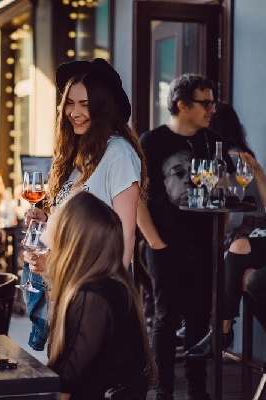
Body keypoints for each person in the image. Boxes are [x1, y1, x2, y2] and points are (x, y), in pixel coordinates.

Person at [21, 57, 146, 351]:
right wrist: (46, 219)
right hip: (63, 284)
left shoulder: (118, 154)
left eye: (85, 104)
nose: (74, 112)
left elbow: (125, 234)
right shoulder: (79, 154)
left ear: (103, 107)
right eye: (70, 103)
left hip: (92, 292)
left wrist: (112, 294)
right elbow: (78, 220)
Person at [136, 74, 234, 400]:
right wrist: (154, 242)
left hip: (203, 246)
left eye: (212, 102)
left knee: (197, 319)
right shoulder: (152, 141)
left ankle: (197, 389)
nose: (212, 110)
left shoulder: (213, 141)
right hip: (165, 244)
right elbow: (136, 195)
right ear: (183, 105)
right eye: (206, 103)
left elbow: (226, 197)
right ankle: (162, 387)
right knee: (164, 319)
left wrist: (218, 239)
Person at [40, 191, 156, 400]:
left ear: (71, 234)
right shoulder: (109, 286)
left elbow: (64, 384)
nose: (53, 213)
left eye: (60, 211)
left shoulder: (91, 298)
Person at [186, 102, 266, 358]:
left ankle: (217, 330)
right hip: (245, 238)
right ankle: (216, 330)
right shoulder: (237, 157)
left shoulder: (231, 161)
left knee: (218, 250)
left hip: (247, 235)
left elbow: (234, 213)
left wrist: (258, 173)